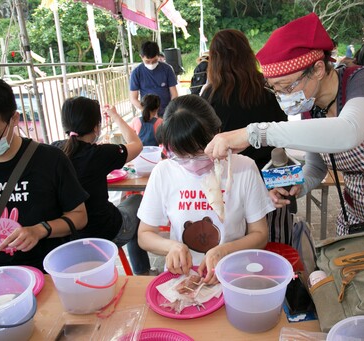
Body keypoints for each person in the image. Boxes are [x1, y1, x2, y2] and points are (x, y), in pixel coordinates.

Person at [204, 13, 364, 266]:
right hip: (357, 213)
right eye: (276, 89)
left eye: (287, 87)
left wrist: (253, 133)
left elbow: (347, 132)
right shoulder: (312, 108)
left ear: (318, 69)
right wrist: (296, 188)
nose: (283, 96)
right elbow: (317, 167)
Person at [137, 95, 274, 284]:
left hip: (232, 274)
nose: (192, 163)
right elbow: (144, 235)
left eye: (200, 154)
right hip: (183, 277)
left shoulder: (244, 168)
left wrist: (224, 250)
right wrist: (172, 247)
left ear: (217, 133)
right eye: (182, 156)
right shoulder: (164, 171)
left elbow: (260, 235)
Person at [0, 78, 88, 272]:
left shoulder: (50, 159)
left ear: (14, 119)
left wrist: (40, 230)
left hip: (48, 271)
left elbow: (79, 216)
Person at [201, 29, 290, 242]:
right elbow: (284, 137)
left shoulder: (209, 96)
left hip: (231, 186)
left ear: (214, 60)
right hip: (271, 181)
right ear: (248, 55)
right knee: (272, 243)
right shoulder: (268, 91)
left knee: (234, 246)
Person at [52, 97, 151, 275]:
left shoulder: (54, 151)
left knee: (124, 204)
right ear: (96, 127)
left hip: (68, 237)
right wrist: (115, 116)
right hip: (105, 232)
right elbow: (137, 145)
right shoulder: (100, 154)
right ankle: (142, 271)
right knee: (137, 201)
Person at [130, 41, 178, 117]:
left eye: (154, 61)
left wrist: (169, 111)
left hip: (167, 113)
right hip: (147, 114)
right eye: (147, 61)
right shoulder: (136, 73)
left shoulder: (167, 69)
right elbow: (133, 98)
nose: (151, 64)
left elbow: (174, 94)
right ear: (141, 57)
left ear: (158, 56)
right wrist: (147, 111)